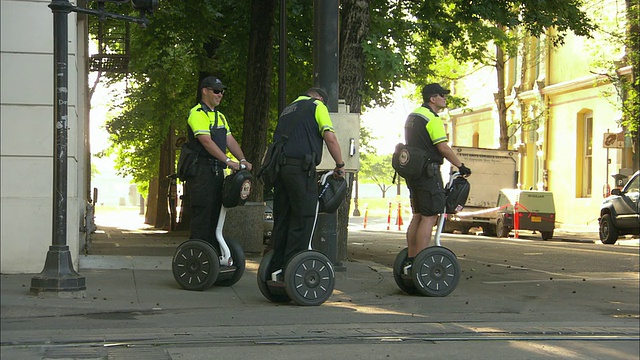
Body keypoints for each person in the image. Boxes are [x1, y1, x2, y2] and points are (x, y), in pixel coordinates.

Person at [268, 87, 345, 281]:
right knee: (304, 217)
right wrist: (340, 164)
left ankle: (275, 266)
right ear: (320, 98)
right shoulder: (317, 106)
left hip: (280, 170)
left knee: (283, 218)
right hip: (301, 171)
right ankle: (292, 269)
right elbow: (330, 138)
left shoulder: (288, 109)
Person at [403, 83, 471, 272]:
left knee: (417, 214)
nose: (445, 98)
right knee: (430, 216)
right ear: (432, 99)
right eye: (442, 95)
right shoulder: (432, 119)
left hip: (413, 171)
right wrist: (460, 165)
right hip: (428, 173)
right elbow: (442, 147)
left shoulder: (413, 116)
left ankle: (411, 258)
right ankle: (421, 261)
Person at [186, 76, 253, 249]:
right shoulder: (197, 114)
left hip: (217, 172)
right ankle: (197, 255)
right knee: (203, 215)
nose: (220, 94)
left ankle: (212, 255)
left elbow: (229, 140)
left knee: (215, 214)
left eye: (222, 92)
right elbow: (206, 141)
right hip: (201, 172)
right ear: (205, 91)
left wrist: (243, 160)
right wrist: (228, 161)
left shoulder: (220, 117)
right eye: (216, 91)